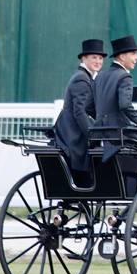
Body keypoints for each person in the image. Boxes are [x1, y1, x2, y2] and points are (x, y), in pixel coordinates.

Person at [51, 39, 105, 186]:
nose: (98, 61)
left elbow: (90, 110)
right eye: (94, 57)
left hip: (73, 134)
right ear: (84, 58)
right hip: (73, 138)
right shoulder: (81, 79)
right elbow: (79, 112)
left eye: (100, 58)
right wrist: (93, 134)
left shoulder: (85, 77)